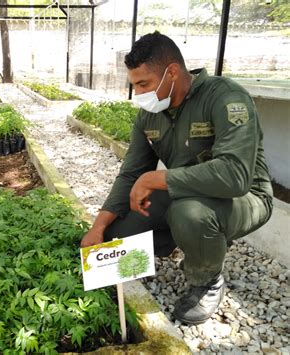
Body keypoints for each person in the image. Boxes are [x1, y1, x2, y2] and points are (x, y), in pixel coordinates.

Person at [80, 32, 273, 325]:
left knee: (190, 214)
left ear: (171, 72)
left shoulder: (225, 98)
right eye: (134, 85)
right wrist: (98, 228)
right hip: (184, 190)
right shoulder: (150, 114)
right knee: (116, 238)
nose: (139, 93)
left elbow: (235, 177)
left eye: (143, 84)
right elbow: (130, 173)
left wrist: (155, 180)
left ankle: (207, 279)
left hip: (244, 197)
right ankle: (190, 241)